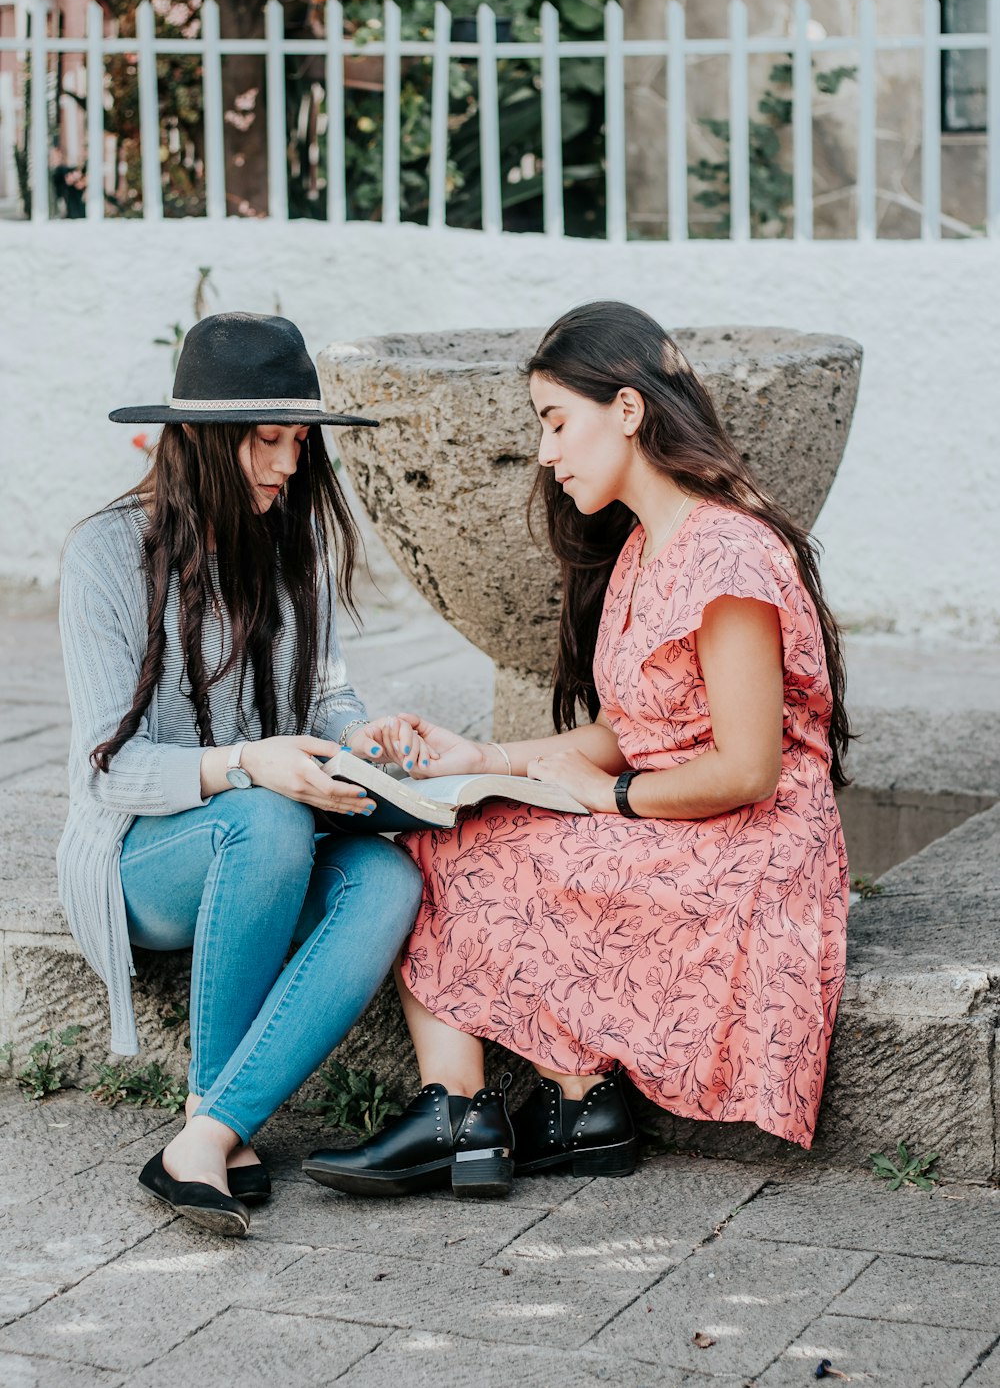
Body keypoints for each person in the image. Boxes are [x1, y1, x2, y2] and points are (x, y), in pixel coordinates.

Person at [304, 300, 851, 1200]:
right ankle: (507, 1109)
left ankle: (540, 1108)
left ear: (628, 411)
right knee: (443, 827)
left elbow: (750, 769)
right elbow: (632, 727)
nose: (547, 453)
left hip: (756, 844)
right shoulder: (646, 547)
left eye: (557, 422)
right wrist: (483, 756)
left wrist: (609, 800)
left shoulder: (729, 558)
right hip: (689, 812)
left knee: (473, 851)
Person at [58, 311, 433, 1237]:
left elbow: (326, 699)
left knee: (388, 875)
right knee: (263, 816)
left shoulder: (289, 545)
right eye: (267, 441)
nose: (289, 464)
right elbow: (112, 774)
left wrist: (367, 738)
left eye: (299, 440)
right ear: (199, 441)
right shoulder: (104, 555)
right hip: (140, 862)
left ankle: (212, 1134)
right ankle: (205, 1116)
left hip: (268, 836)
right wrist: (243, 765)